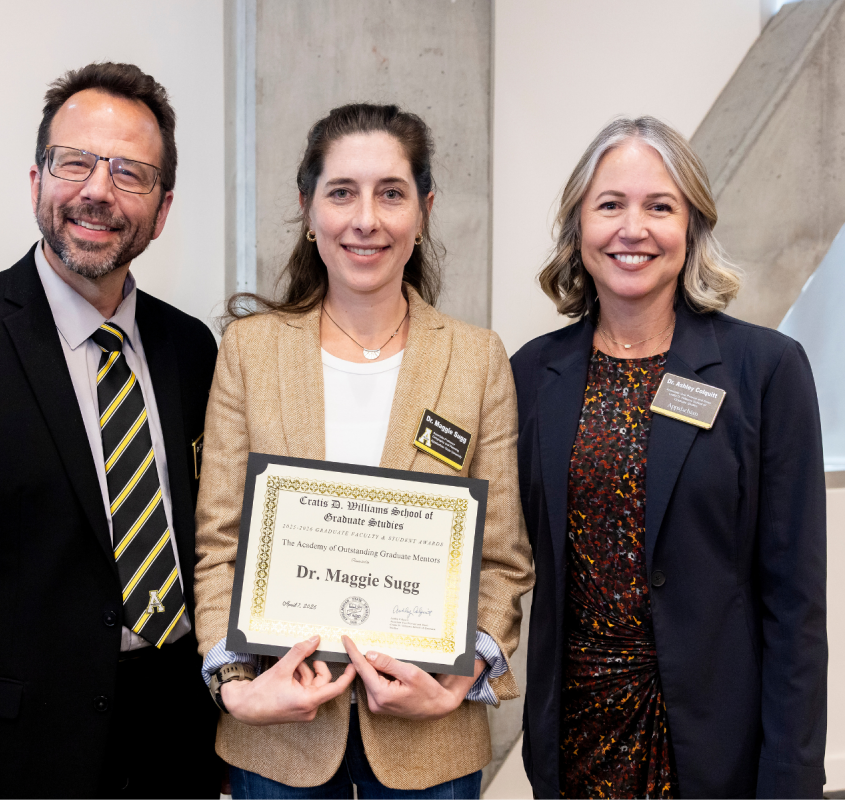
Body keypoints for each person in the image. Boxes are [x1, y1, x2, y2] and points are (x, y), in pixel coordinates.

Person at [0, 63, 222, 798]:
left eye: (131, 173)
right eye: (75, 162)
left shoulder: (192, 350)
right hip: (15, 762)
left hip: (175, 750)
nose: (97, 190)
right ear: (36, 182)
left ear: (162, 208)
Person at [192, 103, 534, 797]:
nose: (366, 219)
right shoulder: (249, 352)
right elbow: (219, 543)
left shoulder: (477, 360)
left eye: (391, 193)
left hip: (429, 738)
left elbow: (502, 558)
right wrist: (234, 684)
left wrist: (459, 679)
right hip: (279, 734)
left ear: (425, 209)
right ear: (308, 208)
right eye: (342, 192)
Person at [512, 116, 828, 799]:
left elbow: (795, 605)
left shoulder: (765, 371)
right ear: (578, 228)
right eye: (609, 205)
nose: (634, 229)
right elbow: (503, 552)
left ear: (692, 228)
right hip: (576, 740)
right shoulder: (533, 374)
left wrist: (792, 778)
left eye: (660, 206)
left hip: (715, 742)